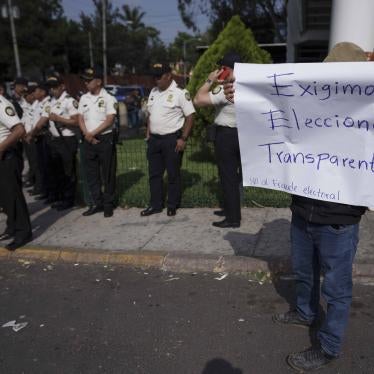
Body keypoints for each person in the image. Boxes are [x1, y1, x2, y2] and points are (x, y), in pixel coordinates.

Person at [224, 41, 369, 372]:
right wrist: (243, 98)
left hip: (339, 221)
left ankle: (329, 346)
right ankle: (304, 312)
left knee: (336, 288)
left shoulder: (366, 113)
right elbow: (270, 107)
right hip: (303, 210)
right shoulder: (308, 102)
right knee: (303, 271)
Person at [194, 51, 242, 228]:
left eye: (221, 67)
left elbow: (198, 100)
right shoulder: (246, 85)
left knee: (227, 176)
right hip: (241, 135)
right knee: (234, 177)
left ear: (226, 68)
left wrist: (209, 80)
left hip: (227, 136)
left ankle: (233, 218)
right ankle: (231, 209)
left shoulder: (226, 88)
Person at [141, 63, 195, 217]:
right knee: (154, 175)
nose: (155, 79)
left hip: (172, 139)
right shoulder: (153, 92)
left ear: (169, 76)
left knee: (173, 174)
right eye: (154, 76)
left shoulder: (180, 93)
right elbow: (151, 115)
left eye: (158, 76)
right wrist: (148, 134)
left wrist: (183, 138)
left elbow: (190, 117)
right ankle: (155, 205)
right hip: (154, 140)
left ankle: (172, 205)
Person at [30, 73, 79, 210]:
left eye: (55, 87)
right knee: (57, 170)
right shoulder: (51, 102)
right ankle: (60, 196)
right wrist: (32, 133)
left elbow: (77, 121)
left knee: (68, 171)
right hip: (54, 140)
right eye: (50, 88)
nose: (52, 90)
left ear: (62, 86)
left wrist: (60, 119)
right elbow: (43, 119)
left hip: (67, 139)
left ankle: (69, 199)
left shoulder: (69, 101)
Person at [78, 67, 118, 218]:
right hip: (87, 139)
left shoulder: (109, 98)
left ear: (99, 81)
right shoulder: (83, 98)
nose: (86, 83)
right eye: (85, 80)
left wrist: (92, 134)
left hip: (104, 140)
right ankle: (97, 203)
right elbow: (80, 118)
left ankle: (108, 204)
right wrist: (86, 134)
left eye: (89, 80)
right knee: (91, 174)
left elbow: (109, 120)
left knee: (107, 173)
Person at [0, 92, 32, 251]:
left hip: (7, 156)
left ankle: (23, 232)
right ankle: (12, 226)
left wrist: (1, 147)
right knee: (4, 197)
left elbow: (19, 130)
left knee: (13, 195)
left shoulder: (1, 104)